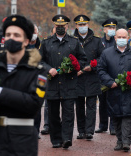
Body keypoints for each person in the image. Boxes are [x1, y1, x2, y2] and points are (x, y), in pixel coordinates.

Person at [0, 15, 47, 156]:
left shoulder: (37, 71)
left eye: (16, 35)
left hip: (22, 141)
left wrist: (1, 93)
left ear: (26, 41)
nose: (11, 38)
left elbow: (34, 103)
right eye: (8, 35)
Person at [39, 15, 87, 149]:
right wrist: (49, 69)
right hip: (53, 84)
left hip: (69, 83)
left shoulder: (74, 42)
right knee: (53, 114)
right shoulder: (46, 42)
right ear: (54, 27)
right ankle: (56, 139)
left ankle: (66, 138)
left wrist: (73, 67)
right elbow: (40, 61)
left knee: (68, 114)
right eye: (58, 26)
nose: (60, 28)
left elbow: (82, 59)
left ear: (67, 27)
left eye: (63, 26)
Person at [97, 28, 131, 152]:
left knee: (128, 116)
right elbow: (101, 69)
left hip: (130, 91)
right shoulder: (106, 53)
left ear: (128, 38)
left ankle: (126, 141)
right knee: (116, 116)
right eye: (119, 37)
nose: (121, 39)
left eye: (124, 37)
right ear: (115, 38)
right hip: (113, 91)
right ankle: (119, 140)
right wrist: (109, 82)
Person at [73, 15, 104, 140]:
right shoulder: (72, 40)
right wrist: (76, 69)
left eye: (84, 24)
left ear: (88, 25)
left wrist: (93, 66)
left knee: (91, 105)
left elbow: (102, 57)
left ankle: (89, 130)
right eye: (80, 25)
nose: (82, 27)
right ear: (76, 26)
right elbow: (69, 56)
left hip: (92, 77)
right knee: (79, 106)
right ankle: (81, 131)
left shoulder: (96, 41)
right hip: (78, 78)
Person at [95, 18, 117, 135]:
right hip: (102, 77)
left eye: (113, 28)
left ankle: (113, 127)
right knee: (102, 102)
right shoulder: (100, 42)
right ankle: (103, 125)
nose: (111, 30)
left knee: (113, 102)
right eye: (109, 27)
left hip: (114, 76)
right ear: (104, 29)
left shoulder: (118, 41)